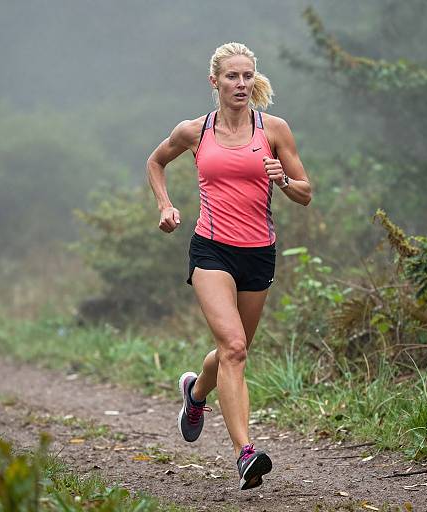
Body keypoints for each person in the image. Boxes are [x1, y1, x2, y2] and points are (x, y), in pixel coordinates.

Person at [146, 42, 311, 491]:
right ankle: (245, 453)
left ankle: (196, 393)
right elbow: (156, 161)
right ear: (214, 81)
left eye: (247, 76)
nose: (241, 84)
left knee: (232, 352)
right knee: (234, 347)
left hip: (259, 252)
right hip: (211, 249)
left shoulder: (273, 129)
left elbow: (305, 190)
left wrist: (285, 180)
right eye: (232, 76)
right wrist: (165, 205)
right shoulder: (194, 131)